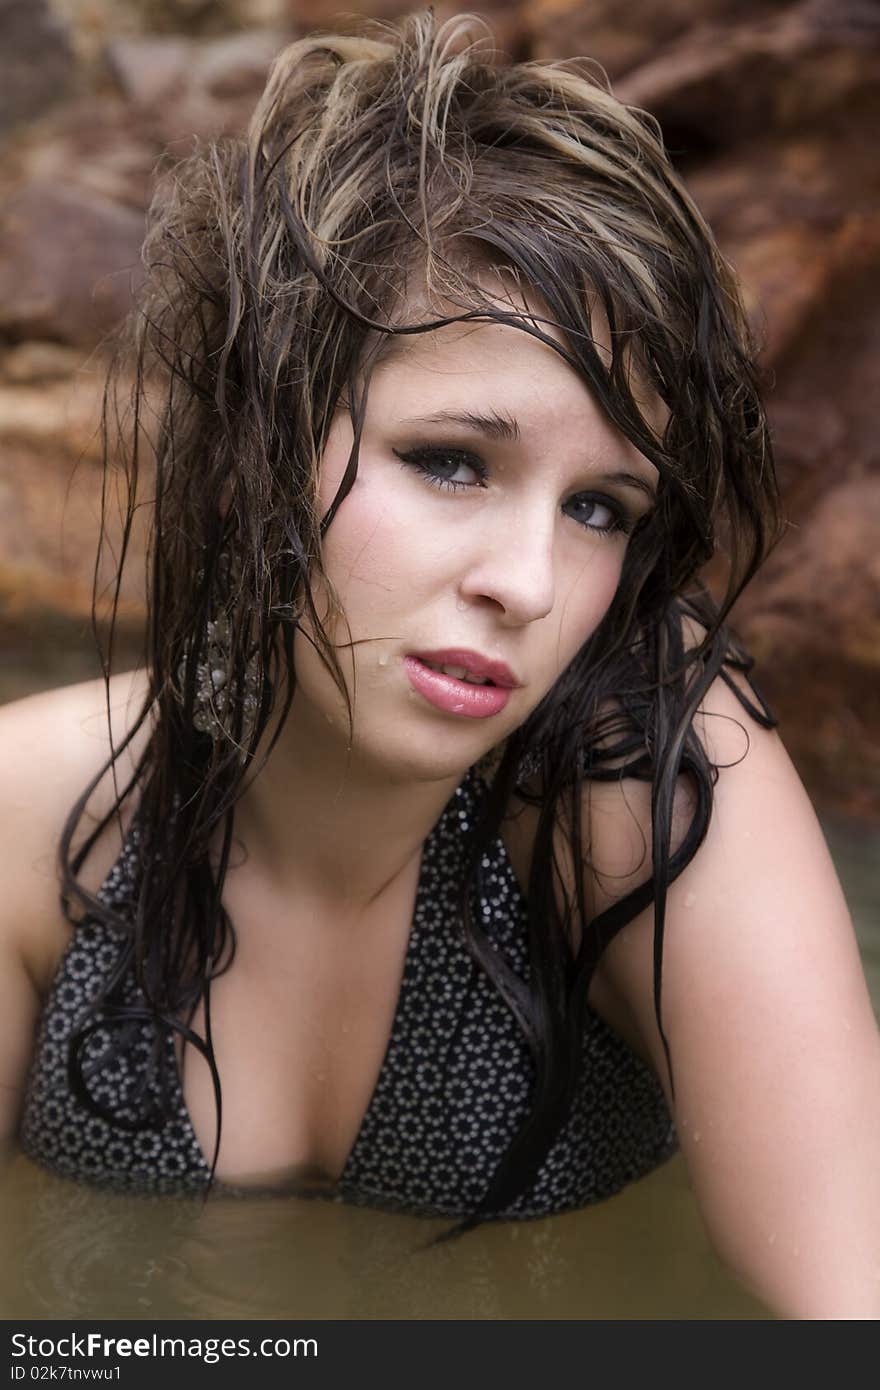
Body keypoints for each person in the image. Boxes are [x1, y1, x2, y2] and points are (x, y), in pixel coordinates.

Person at [1, 10, 878, 1319]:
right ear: (255, 457)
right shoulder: (31, 822)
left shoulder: (642, 770)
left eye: (602, 508)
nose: (525, 583)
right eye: (451, 460)